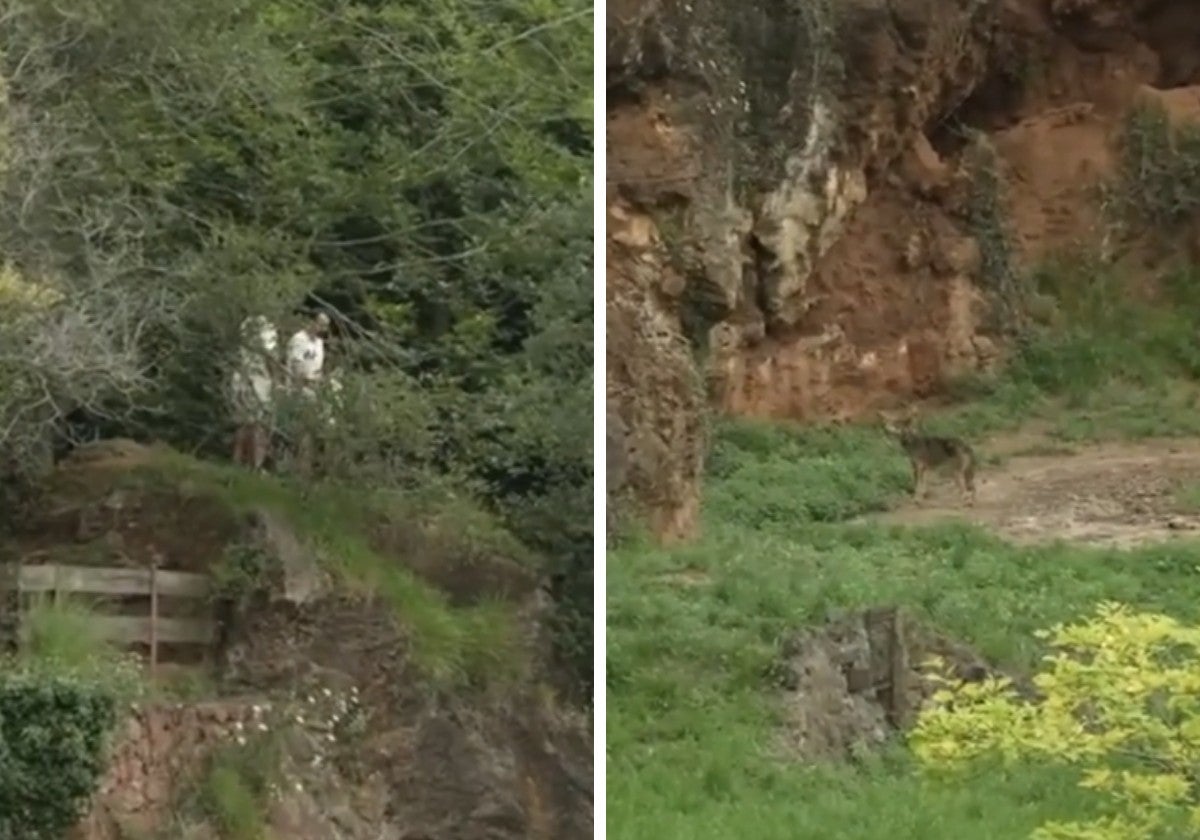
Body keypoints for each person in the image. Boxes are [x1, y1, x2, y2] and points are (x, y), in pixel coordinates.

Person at [229, 315, 279, 470]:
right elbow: (271, 358)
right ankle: (255, 465)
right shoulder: (265, 329)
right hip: (256, 381)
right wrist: (275, 381)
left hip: (243, 379)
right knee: (257, 426)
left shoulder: (247, 325)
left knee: (245, 425)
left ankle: (239, 463)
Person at [285, 312, 331, 474]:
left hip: (315, 390)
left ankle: (307, 465)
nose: (322, 328)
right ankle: (299, 466)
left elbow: (318, 367)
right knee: (302, 427)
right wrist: (305, 382)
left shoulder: (319, 343)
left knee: (311, 428)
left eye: (325, 326)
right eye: (320, 324)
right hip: (300, 388)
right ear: (312, 322)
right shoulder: (299, 340)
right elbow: (296, 366)